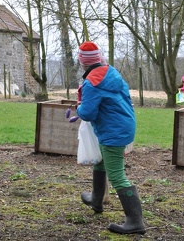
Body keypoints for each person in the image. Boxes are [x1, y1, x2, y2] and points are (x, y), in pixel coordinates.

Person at [75, 41, 146, 235]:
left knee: (116, 175)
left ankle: (135, 221)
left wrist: (78, 107)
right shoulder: (111, 72)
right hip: (122, 124)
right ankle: (96, 200)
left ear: (82, 62)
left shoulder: (91, 83)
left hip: (113, 131)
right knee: (101, 160)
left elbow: (88, 113)